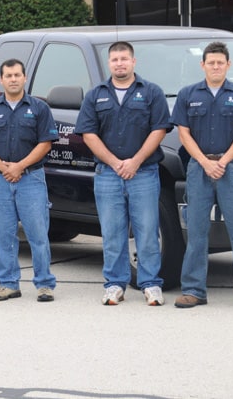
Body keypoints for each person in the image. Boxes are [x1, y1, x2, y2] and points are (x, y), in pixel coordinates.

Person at [170, 41, 233, 311]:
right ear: (203, 65)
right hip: (199, 169)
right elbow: (183, 134)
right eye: (210, 62)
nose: (215, 66)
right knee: (197, 232)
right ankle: (193, 290)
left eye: (220, 63)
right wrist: (203, 162)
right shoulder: (188, 94)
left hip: (230, 168)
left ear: (228, 65)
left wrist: (222, 161)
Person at [75, 41, 172, 306]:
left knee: (147, 231)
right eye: (115, 59)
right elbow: (88, 133)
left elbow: (159, 130)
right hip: (107, 174)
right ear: (109, 63)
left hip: (144, 173)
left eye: (124, 59)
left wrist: (135, 161)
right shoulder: (96, 95)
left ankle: (151, 284)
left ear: (133, 62)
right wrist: (116, 162)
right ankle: (115, 284)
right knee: (112, 232)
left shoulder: (151, 92)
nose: (120, 63)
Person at [0, 58, 59, 302]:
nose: (13, 79)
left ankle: (44, 284)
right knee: (1, 234)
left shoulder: (39, 108)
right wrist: (3, 167)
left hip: (31, 179)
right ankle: (8, 284)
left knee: (38, 233)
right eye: (8, 75)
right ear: (1, 80)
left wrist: (20, 166)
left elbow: (46, 143)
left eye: (17, 75)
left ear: (24, 78)